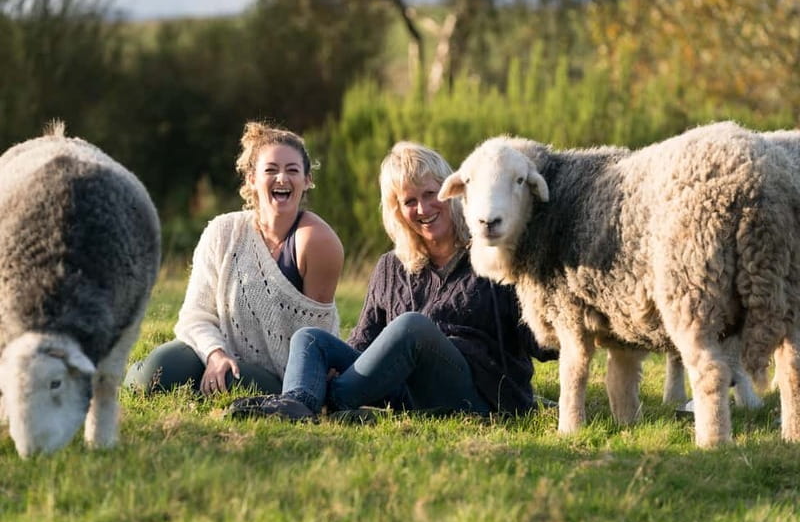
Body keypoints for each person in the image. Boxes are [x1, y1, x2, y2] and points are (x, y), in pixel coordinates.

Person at [233, 141, 555, 420]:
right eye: (410, 201)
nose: (423, 208)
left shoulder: (491, 255)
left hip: (479, 395)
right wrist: (335, 363)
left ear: (453, 191)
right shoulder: (391, 267)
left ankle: (332, 400)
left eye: (431, 194)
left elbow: (540, 338)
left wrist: (563, 312)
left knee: (411, 327)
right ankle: (298, 403)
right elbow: (364, 342)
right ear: (398, 211)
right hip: (405, 394)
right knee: (310, 338)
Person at [125, 122, 344, 396]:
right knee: (154, 373)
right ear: (251, 178)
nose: (282, 179)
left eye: (292, 170)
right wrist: (215, 355)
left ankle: (209, 388)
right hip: (217, 352)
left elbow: (315, 340)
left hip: (284, 376)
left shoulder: (318, 241)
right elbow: (196, 315)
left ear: (307, 180)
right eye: (271, 170)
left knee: (231, 382)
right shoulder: (222, 232)